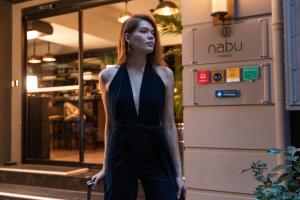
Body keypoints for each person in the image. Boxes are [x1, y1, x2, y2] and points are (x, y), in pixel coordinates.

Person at [92, 14, 186, 200]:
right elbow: (110, 125)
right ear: (127, 37)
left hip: (155, 151)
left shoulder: (165, 74)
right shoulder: (107, 76)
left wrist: (178, 173)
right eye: (144, 31)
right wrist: (105, 166)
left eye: (152, 33)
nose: (151, 36)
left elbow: (168, 124)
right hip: (121, 152)